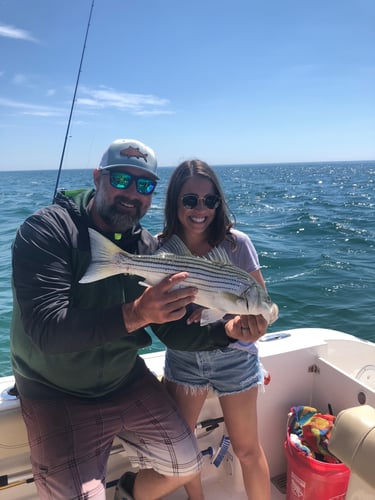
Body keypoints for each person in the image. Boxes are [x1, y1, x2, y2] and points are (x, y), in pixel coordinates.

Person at [10, 139, 257, 500]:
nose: (132, 193)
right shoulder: (48, 230)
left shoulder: (146, 248)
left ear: (153, 195)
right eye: (121, 179)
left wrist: (227, 332)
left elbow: (173, 330)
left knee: (189, 463)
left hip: (123, 378)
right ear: (97, 177)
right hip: (53, 389)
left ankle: (128, 491)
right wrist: (135, 314)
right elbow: (46, 330)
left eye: (144, 186)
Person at [154, 159, 271, 500]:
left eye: (210, 200)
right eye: (190, 200)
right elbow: (159, 318)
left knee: (248, 450)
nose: (200, 209)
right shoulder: (160, 249)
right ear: (175, 202)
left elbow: (259, 308)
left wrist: (248, 328)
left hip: (236, 358)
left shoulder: (237, 244)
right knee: (183, 452)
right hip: (184, 359)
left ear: (219, 204)